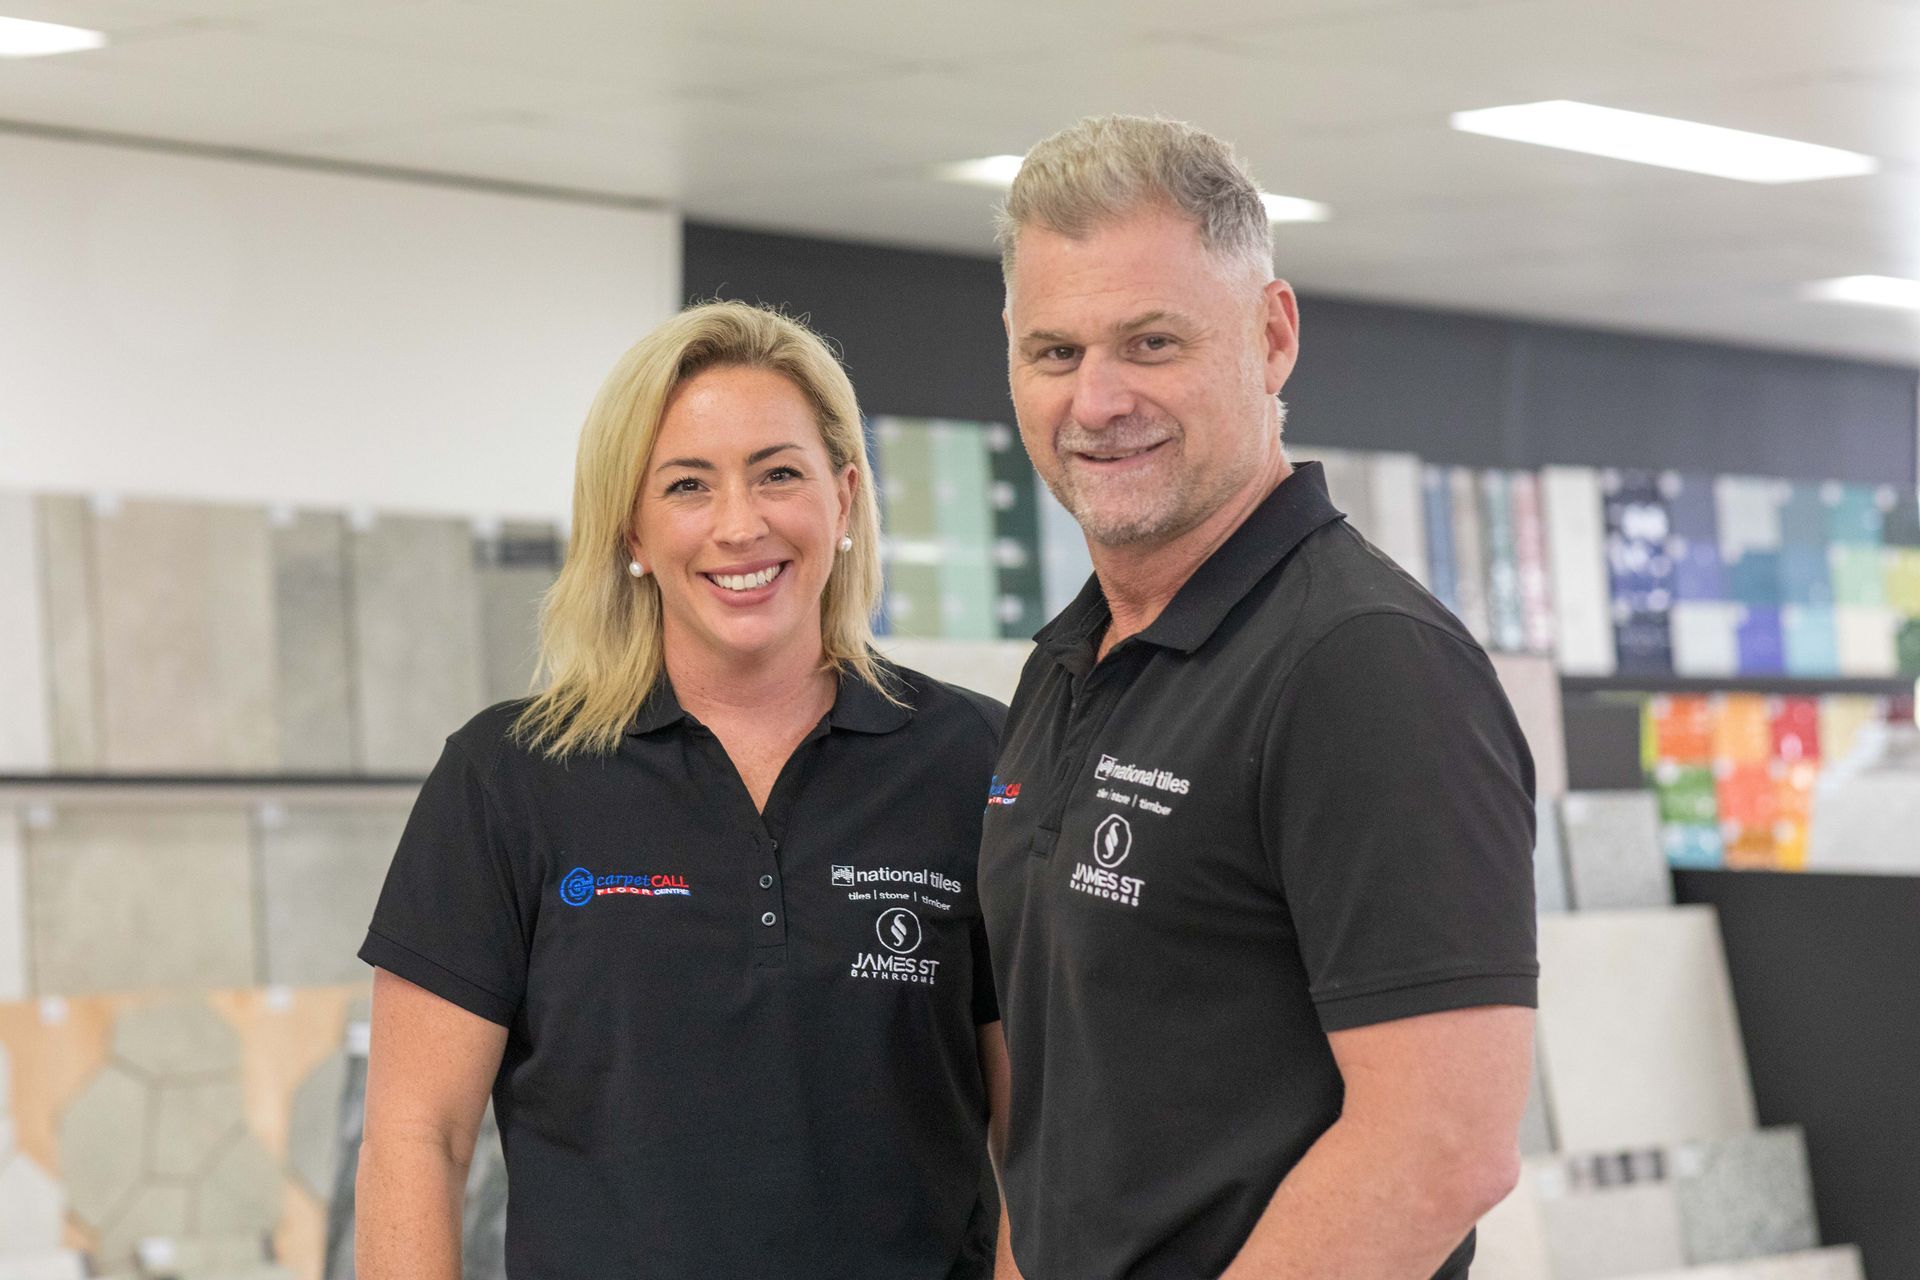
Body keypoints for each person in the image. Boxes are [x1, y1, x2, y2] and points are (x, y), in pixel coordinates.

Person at [979, 115, 1539, 1279]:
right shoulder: (1066, 665)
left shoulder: (1362, 664)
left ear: (1272, 335)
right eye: (1054, 352)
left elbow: (1441, 1144)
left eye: (1151, 341)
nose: (1098, 399)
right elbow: (1061, 1127)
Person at [354, 301, 1015, 1279]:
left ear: (843, 496)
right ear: (633, 527)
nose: (740, 525)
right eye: (689, 485)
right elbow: (417, 1134)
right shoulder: (507, 776)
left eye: (779, 473)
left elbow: (1046, 1134)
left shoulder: (976, 760)